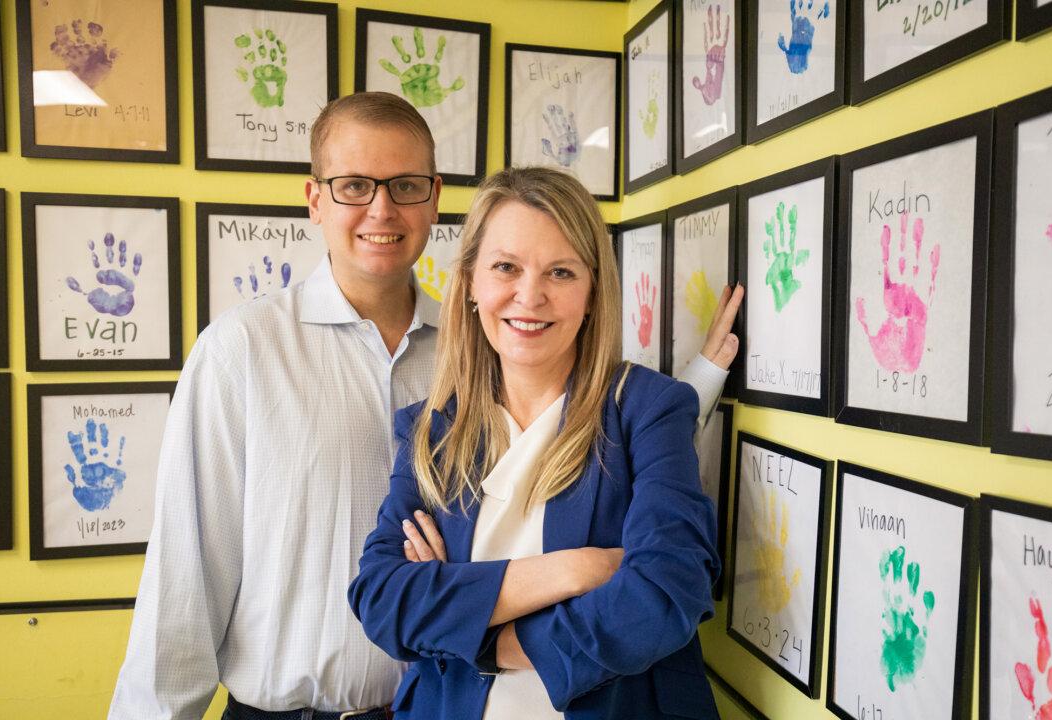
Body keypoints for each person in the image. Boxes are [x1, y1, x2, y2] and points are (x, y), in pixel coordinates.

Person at [109, 92, 740, 720]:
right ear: (315, 199)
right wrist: (571, 571)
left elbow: (633, 477)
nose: (381, 207)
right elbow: (192, 584)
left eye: (405, 185)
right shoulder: (244, 352)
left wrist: (464, 618)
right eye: (354, 184)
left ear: (433, 198)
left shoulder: (467, 359)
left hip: (419, 699)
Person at [351, 166, 744, 719]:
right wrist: (577, 570)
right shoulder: (430, 431)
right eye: (505, 267)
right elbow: (383, 602)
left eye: (560, 272)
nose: (529, 296)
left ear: (591, 293)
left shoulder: (647, 409)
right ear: (470, 285)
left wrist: (480, 635)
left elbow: (664, 593)